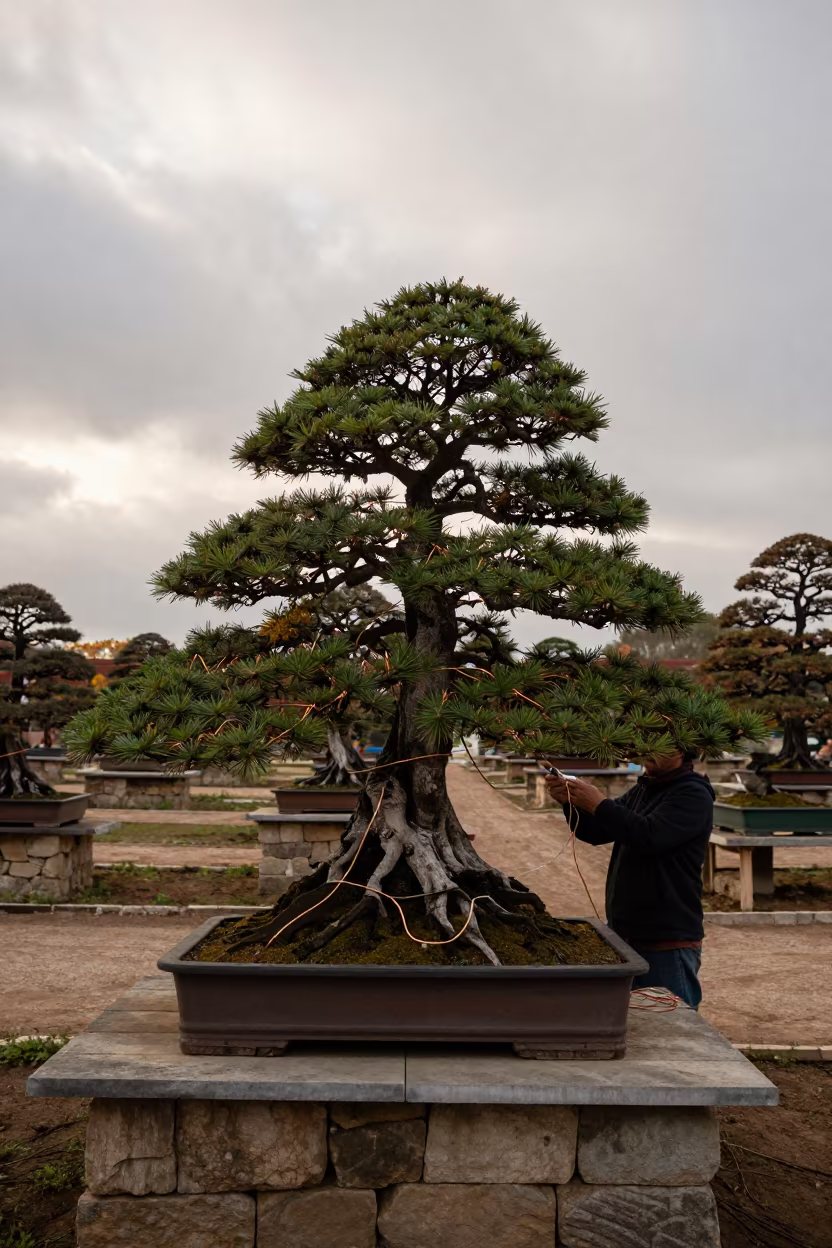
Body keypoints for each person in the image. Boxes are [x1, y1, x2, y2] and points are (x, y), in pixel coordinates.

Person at [545, 752, 714, 1010]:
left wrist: (599, 804)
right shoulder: (645, 788)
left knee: (671, 1031)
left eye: (658, 743)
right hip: (626, 935)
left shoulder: (692, 794)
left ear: (680, 750)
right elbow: (597, 831)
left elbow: (649, 836)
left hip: (667, 940)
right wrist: (571, 802)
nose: (648, 751)